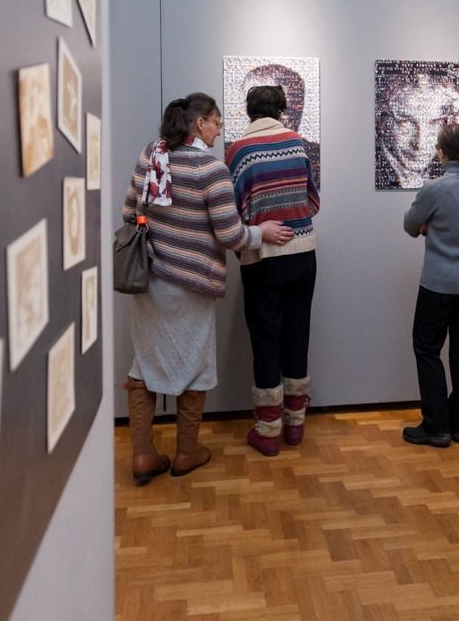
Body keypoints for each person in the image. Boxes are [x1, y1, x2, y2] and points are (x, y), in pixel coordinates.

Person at [121, 92, 292, 485]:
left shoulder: (151, 155)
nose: (219, 131)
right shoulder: (211, 170)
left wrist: (161, 232)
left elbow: (130, 213)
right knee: (194, 367)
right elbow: (230, 235)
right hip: (192, 286)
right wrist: (261, 232)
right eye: (216, 123)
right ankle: (186, 453)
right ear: (200, 123)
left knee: (143, 367)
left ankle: (143, 457)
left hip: (149, 282)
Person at [225, 85, 321, 456]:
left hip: (262, 257)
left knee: (265, 339)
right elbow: (312, 202)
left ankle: (268, 432)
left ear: (248, 111)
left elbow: (232, 210)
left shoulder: (239, 151)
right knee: (298, 335)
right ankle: (295, 426)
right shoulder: (298, 145)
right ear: (282, 110)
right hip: (303, 254)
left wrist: (259, 225)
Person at [401, 123, 459, 447]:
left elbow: (409, 225)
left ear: (441, 153)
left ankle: (436, 425)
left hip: (438, 284)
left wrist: (426, 227)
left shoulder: (435, 189)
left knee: (427, 349)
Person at [375, 70, 459, 190]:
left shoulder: (448, 176)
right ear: (382, 121)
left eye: (435, 123)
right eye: (406, 122)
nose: (420, 143)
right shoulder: (372, 171)